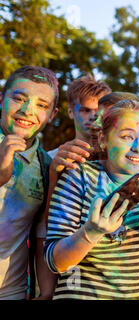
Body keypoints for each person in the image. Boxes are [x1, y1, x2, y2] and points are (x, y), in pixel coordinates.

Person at [43, 100, 139, 299]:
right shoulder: (78, 176)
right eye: (127, 137)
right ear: (103, 139)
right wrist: (90, 233)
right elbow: (55, 262)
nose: (138, 148)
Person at [0, 66, 59, 299]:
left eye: (41, 105)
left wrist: (46, 291)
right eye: (19, 98)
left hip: (10, 291)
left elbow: (41, 232)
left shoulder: (46, 165)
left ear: (52, 115)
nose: (27, 111)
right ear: (1, 99)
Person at [47, 74, 111, 159]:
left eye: (98, 111)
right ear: (70, 112)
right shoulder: (51, 159)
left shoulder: (118, 161)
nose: (93, 116)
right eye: (86, 110)